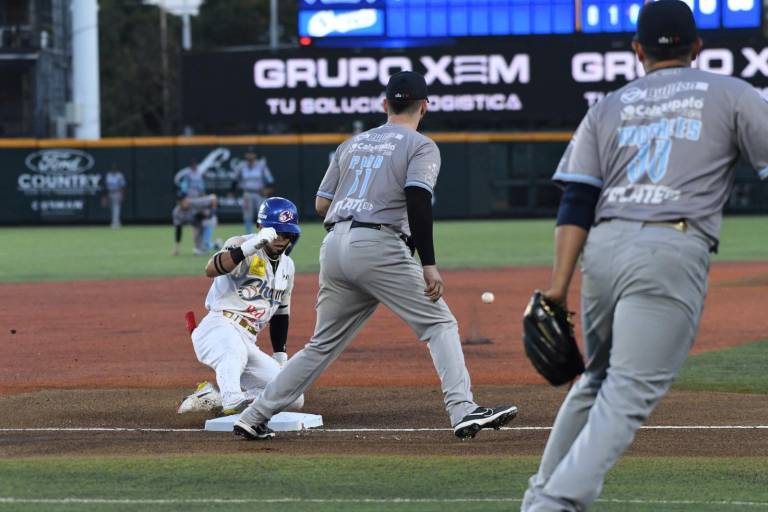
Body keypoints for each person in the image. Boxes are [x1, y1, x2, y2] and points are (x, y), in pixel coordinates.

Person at [521, 2, 768, 510]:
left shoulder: (609, 105)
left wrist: (557, 287)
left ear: (638, 51)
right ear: (698, 48)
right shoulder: (733, 93)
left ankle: (538, 497)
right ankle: (555, 505)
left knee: (597, 378)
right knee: (628, 392)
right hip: (669, 247)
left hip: (604, 249)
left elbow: (577, 199)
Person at [233, 71, 518, 441]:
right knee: (439, 324)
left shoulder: (351, 145)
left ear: (385, 105)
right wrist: (428, 263)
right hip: (378, 245)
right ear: (424, 107)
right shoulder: (420, 145)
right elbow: (418, 199)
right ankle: (462, 409)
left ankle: (254, 415)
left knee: (321, 345)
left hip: (334, 246)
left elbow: (321, 204)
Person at [177, 197, 304, 415]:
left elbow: (281, 312)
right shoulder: (240, 244)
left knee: (293, 396)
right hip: (219, 327)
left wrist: (280, 355)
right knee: (233, 351)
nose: (281, 239)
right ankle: (232, 400)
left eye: (287, 234)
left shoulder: (287, 266)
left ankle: (214, 397)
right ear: (261, 227)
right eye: (276, 232)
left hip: (248, 340)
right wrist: (250, 247)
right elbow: (211, 269)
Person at [232, 146, 274, 234]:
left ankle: (264, 234)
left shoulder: (261, 165)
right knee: (247, 216)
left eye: (252, 154)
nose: (250, 155)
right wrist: (232, 191)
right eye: (248, 154)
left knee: (263, 214)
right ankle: (249, 234)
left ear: (255, 155)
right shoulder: (241, 166)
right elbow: (235, 180)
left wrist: (269, 189)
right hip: (247, 193)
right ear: (245, 155)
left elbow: (270, 180)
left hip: (259, 193)